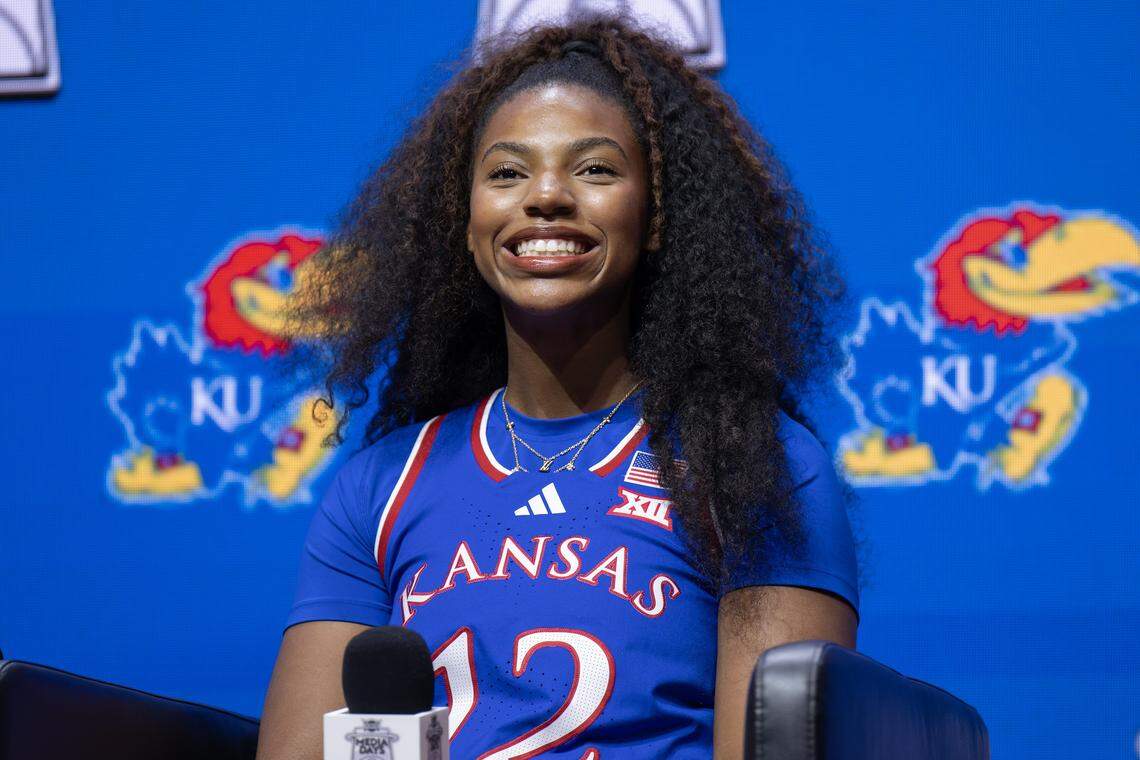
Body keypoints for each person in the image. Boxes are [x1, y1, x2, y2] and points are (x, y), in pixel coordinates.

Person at [256, 15, 860, 760]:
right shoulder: (380, 488)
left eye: (595, 170)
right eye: (507, 172)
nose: (545, 195)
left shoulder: (751, 469)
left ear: (657, 215)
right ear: (467, 219)